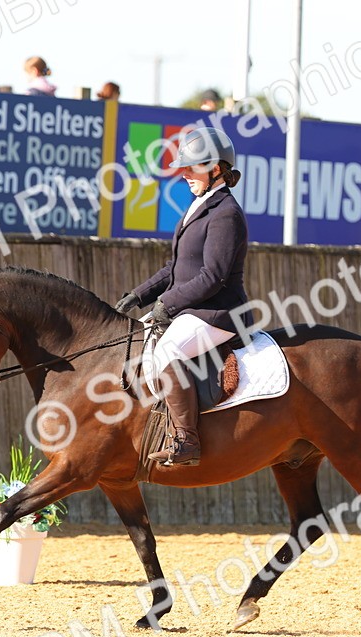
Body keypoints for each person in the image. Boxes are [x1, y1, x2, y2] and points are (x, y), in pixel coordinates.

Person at [114, 127, 251, 466]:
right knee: (139, 340)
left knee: (168, 348)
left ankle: (187, 440)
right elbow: (176, 267)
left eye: (193, 166)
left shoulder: (225, 214)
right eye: (184, 167)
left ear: (216, 168)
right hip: (194, 309)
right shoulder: (200, 205)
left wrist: (167, 305)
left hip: (219, 312)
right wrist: (139, 296)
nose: (185, 173)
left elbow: (212, 276)